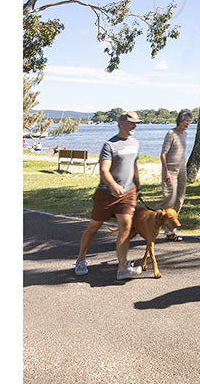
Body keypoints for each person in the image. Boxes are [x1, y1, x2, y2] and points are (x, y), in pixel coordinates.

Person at [73, 111, 143, 280]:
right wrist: (113, 186)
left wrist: (138, 185)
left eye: (136, 123)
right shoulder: (109, 145)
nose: (135, 126)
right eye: (132, 123)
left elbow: (133, 166)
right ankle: (81, 258)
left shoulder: (135, 143)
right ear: (121, 124)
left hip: (128, 193)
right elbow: (104, 170)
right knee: (94, 227)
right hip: (106, 194)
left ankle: (122, 268)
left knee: (126, 227)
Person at [160, 109, 192, 241]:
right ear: (180, 120)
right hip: (170, 170)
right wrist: (166, 171)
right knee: (170, 200)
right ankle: (167, 228)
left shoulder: (185, 134)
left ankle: (171, 228)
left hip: (182, 169)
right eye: (186, 121)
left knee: (179, 199)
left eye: (189, 121)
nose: (188, 124)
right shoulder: (171, 134)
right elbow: (163, 154)